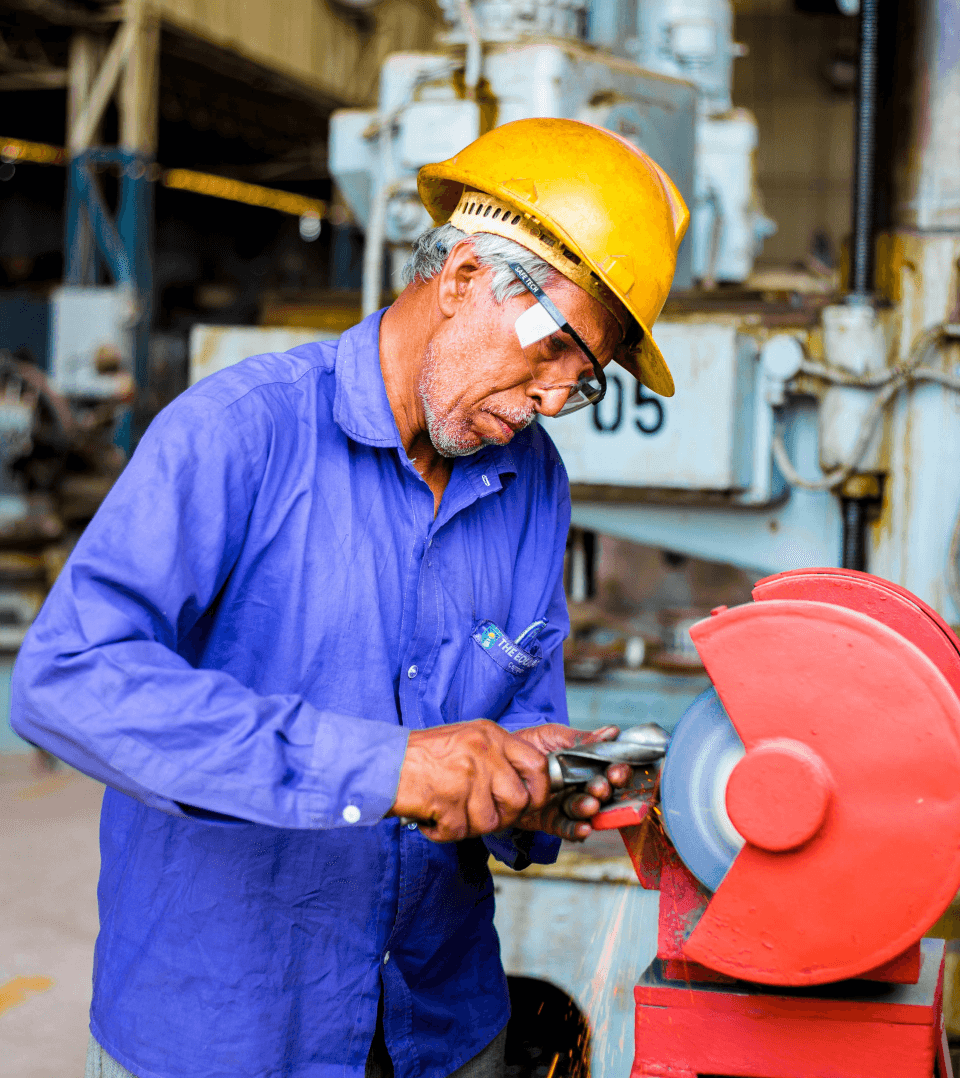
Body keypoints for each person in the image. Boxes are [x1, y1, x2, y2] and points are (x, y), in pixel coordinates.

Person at [11, 117, 688, 1078]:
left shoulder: (532, 480)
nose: (549, 398)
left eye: (579, 383)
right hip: (231, 1034)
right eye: (552, 350)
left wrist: (534, 785)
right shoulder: (239, 433)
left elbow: (524, 712)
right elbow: (65, 680)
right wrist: (384, 766)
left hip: (444, 1029)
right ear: (459, 279)